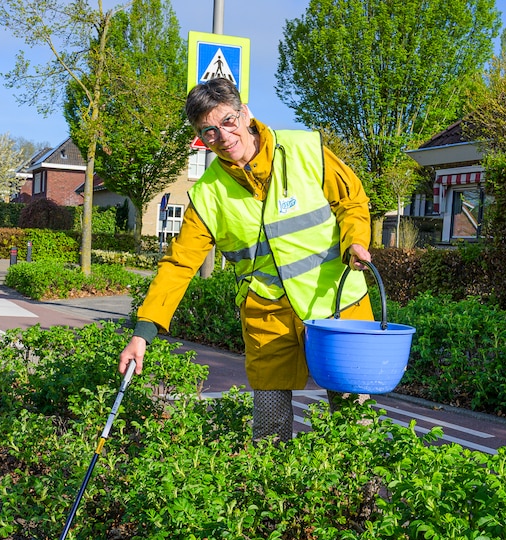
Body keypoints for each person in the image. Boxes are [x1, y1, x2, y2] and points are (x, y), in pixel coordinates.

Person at [117, 77, 375, 442]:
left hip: (337, 304)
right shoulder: (207, 195)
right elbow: (178, 264)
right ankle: (274, 499)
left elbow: (351, 200)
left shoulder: (305, 149)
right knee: (269, 431)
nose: (223, 136)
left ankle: (359, 497)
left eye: (227, 121)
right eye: (208, 132)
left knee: (354, 417)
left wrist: (356, 241)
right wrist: (144, 332)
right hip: (268, 317)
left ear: (245, 114)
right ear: (200, 139)